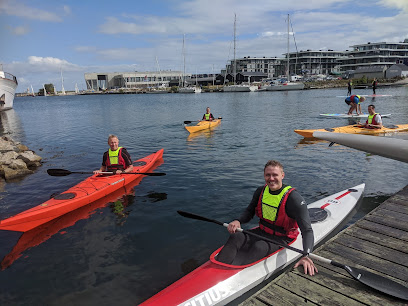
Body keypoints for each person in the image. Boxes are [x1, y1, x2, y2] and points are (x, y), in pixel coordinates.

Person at [216, 160, 317, 276]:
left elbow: (307, 230)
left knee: (259, 247)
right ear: (264, 176)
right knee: (236, 236)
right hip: (262, 231)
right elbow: (249, 211)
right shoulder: (261, 191)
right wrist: (238, 221)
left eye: (275, 175)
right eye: (268, 175)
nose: (271, 178)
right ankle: (217, 270)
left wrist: (306, 255)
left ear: (282, 176)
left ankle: (237, 275)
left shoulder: (294, 199)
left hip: (282, 238)